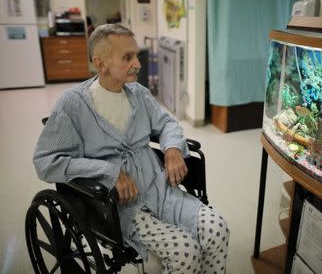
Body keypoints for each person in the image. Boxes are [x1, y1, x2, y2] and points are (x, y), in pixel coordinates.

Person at [33, 24, 229, 274]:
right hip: (118, 206)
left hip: (159, 188)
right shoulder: (73, 104)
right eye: (127, 57)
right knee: (185, 251)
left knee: (217, 229)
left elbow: (167, 122)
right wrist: (109, 171)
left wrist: (171, 150)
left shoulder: (138, 93)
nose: (138, 63)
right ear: (100, 63)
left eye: (136, 55)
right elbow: (45, 162)